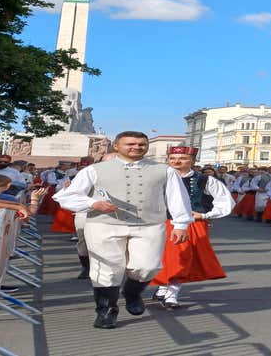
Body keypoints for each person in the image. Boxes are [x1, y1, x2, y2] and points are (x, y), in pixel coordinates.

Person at [53, 131, 192, 329]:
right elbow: (65, 196)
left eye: (141, 144)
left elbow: (177, 198)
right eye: (131, 144)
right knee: (106, 269)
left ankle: (132, 292)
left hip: (149, 224)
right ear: (116, 146)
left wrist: (180, 224)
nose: (136, 147)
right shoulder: (95, 169)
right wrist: (92, 203)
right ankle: (106, 311)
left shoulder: (164, 170)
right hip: (103, 224)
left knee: (147, 267)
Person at [152, 148, 234, 308]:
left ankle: (172, 293)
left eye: (182, 158)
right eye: (172, 158)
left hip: (190, 224)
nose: (176, 161)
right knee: (160, 258)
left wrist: (205, 215)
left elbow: (225, 201)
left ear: (193, 161)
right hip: (160, 223)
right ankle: (163, 287)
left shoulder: (204, 180)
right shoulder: (158, 178)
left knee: (181, 258)